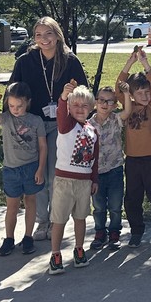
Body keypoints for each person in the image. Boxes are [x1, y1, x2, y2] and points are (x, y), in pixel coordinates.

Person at [6, 17, 88, 241]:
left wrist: (74, 96)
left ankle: (55, 220)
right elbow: (12, 91)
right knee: (38, 175)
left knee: (54, 175)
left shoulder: (70, 61)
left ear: (57, 35)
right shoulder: (25, 61)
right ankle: (43, 221)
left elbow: (84, 93)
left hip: (62, 124)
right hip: (33, 124)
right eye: (39, 35)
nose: (44, 39)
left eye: (48, 34)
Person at [0, 82, 48, 256]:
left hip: (31, 168)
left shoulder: (36, 120)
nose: (15, 109)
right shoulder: (6, 118)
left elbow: (43, 146)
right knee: (11, 206)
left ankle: (28, 237)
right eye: (11, 105)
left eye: (19, 106)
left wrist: (40, 169)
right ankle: (9, 238)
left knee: (30, 202)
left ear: (28, 102)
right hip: (11, 170)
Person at [120, 47, 151, 248]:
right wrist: (129, 63)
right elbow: (119, 87)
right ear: (131, 95)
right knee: (132, 197)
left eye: (146, 92)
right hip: (132, 160)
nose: (144, 95)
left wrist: (145, 63)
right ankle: (136, 230)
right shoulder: (128, 107)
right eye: (139, 92)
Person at [48, 80, 100, 275]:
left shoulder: (92, 131)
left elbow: (94, 158)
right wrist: (63, 96)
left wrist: (94, 179)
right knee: (59, 219)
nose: (80, 109)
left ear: (91, 108)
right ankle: (55, 254)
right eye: (75, 105)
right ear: (69, 107)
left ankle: (79, 249)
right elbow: (61, 111)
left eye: (84, 105)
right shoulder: (66, 124)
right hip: (64, 181)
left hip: (84, 182)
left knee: (80, 217)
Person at [88, 85, 131, 252]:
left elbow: (127, 112)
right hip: (96, 172)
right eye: (101, 100)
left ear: (114, 105)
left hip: (115, 169)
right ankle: (100, 232)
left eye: (109, 101)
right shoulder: (88, 124)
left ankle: (114, 232)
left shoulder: (116, 119)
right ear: (95, 102)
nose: (105, 104)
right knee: (98, 206)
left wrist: (126, 93)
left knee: (115, 205)